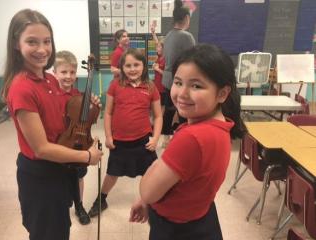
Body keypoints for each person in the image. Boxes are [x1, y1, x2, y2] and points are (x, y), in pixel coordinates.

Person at [1, 9, 103, 240]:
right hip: (40, 176)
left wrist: (87, 107)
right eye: (32, 42)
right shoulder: (21, 87)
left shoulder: (49, 79)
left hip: (59, 169)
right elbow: (41, 148)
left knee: (60, 229)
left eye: (46, 41)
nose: (42, 49)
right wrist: (88, 157)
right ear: (16, 44)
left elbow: (61, 121)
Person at [130, 43, 247, 240]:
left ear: (222, 93)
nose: (182, 94)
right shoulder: (221, 124)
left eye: (196, 85)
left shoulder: (192, 138)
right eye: (178, 82)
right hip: (201, 215)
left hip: (176, 229)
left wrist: (148, 187)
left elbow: (149, 192)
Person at [88, 48, 163, 217]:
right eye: (128, 65)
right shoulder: (115, 85)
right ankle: (101, 198)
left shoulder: (151, 87)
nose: (132, 69)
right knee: (112, 173)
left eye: (136, 64)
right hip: (120, 141)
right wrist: (108, 136)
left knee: (151, 173)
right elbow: (107, 112)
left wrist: (156, 138)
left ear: (144, 66)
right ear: (121, 67)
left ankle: (153, 200)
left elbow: (158, 116)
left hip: (143, 142)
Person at [53, 50, 90, 225]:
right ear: (54, 73)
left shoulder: (78, 96)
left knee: (79, 175)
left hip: (75, 143)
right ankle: (61, 206)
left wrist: (92, 106)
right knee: (59, 177)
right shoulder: (51, 95)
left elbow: (85, 120)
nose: (68, 76)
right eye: (64, 72)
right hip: (56, 144)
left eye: (72, 72)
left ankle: (79, 205)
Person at [162, 0, 196, 147]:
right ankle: (183, 138)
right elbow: (195, 58)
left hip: (167, 78)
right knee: (184, 110)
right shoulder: (186, 36)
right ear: (186, 18)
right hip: (181, 80)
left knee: (169, 110)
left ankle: (165, 139)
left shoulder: (168, 35)